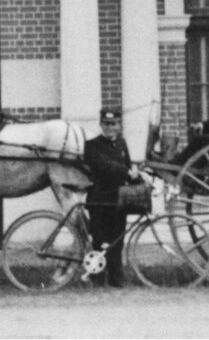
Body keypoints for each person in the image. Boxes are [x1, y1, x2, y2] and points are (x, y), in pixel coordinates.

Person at [83, 108, 139, 288]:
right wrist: (127, 171)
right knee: (99, 240)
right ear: (100, 124)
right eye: (106, 124)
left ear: (119, 125)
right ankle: (97, 279)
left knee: (117, 241)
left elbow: (128, 166)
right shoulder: (91, 145)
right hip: (99, 200)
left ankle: (116, 279)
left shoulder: (122, 143)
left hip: (118, 200)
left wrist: (138, 175)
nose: (110, 128)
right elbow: (103, 166)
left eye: (113, 124)